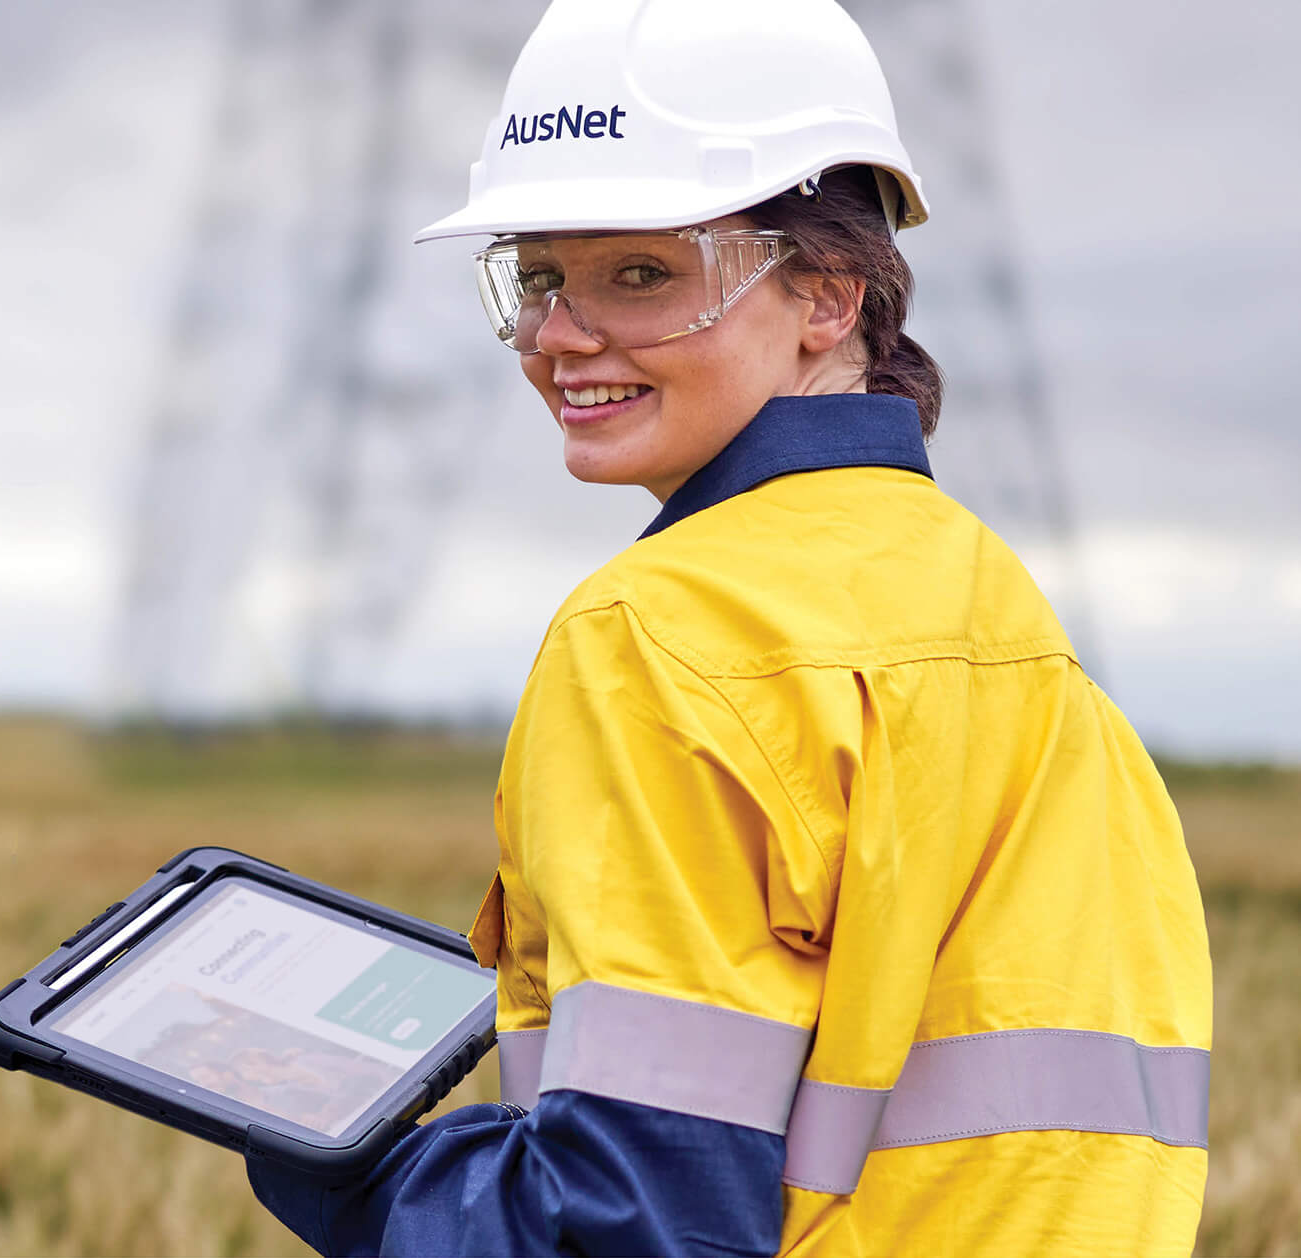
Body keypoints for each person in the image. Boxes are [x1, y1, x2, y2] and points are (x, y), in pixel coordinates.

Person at [243, 1, 1212, 1254]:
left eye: (640, 273)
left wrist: (348, 1167)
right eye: (537, 278)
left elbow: (638, 1228)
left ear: (827, 294)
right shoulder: (990, 601)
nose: (557, 339)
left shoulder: (655, 633)